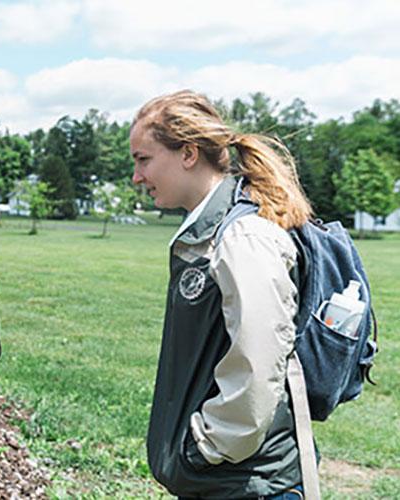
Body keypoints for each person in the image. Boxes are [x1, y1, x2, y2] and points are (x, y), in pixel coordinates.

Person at [131, 90, 312, 499]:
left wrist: (208, 446)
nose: (137, 177)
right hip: (225, 484)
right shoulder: (210, 233)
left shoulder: (242, 236)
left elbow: (258, 363)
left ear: (188, 154)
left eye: (144, 159)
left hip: (248, 485)